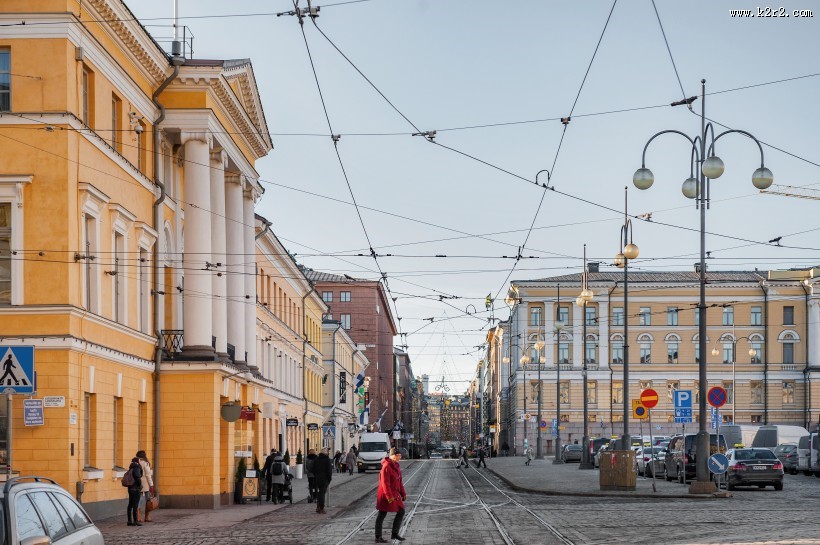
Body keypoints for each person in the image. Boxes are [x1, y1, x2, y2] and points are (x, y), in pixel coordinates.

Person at [375, 447, 406, 543]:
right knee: (382, 514)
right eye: (398, 455)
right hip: (385, 495)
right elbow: (385, 484)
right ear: (393, 456)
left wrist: (403, 493)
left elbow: (399, 481)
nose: (400, 457)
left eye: (400, 455)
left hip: (395, 494)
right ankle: (378, 537)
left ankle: (395, 533)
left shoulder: (396, 466)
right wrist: (389, 496)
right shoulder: (386, 467)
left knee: (401, 511)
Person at [135, 450, 155, 522]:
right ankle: (147, 517)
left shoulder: (136, 463)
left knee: (138, 500)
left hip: (137, 483)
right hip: (145, 483)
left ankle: (138, 517)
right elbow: (148, 475)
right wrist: (151, 485)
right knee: (148, 500)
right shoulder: (145, 463)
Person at [313, 448, 333, 514]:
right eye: (328, 452)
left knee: (320, 493)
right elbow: (329, 471)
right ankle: (321, 508)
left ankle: (318, 507)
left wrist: (316, 474)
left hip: (318, 479)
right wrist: (329, 479)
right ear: (326, 453)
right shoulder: (327, 460)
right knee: (322, 493)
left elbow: (311, 468)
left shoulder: (316, 459)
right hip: (325, 479)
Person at [126, 456, 143, 526]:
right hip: (136, 489)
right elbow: (138, 477)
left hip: (130, 488)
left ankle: (129, 521)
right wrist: (139, 486)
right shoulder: (137, 467)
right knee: (135, 505)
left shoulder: (131, 467)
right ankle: (135, 521)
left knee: (130, 505)